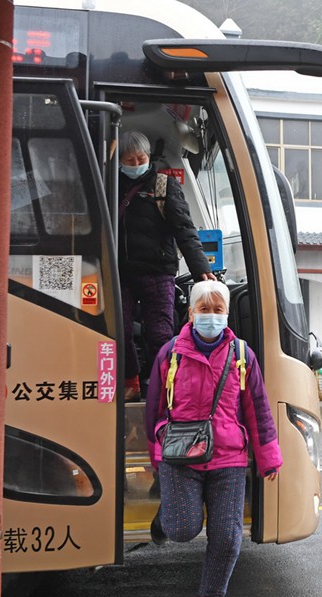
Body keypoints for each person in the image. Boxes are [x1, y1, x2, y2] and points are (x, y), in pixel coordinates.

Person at [146, 280, 282, 597]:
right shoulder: (170, 354)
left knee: (226, 539)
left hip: (228, 459)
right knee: (182, 528)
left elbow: (258, 409)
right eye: (204, 310)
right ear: (191, 313)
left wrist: (269, 458)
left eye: (217, 310)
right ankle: (169, 509)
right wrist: (157, 455)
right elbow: (155, 407)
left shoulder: (241, 355)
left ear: (227, 314)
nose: (211, 316)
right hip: (181, 456)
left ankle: (211, 596)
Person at [117, 130, 215, 401]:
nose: (136, 165)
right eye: (129, 160)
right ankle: (131, 381)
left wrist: (200, 267)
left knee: (161, 332)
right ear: (119, 160)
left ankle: (168, 384)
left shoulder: (164, 185)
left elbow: (184, 228)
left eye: (141, 159)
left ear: (149, 157)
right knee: (120, 330)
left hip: (158, 272)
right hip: (121, 272)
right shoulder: (109, 186)